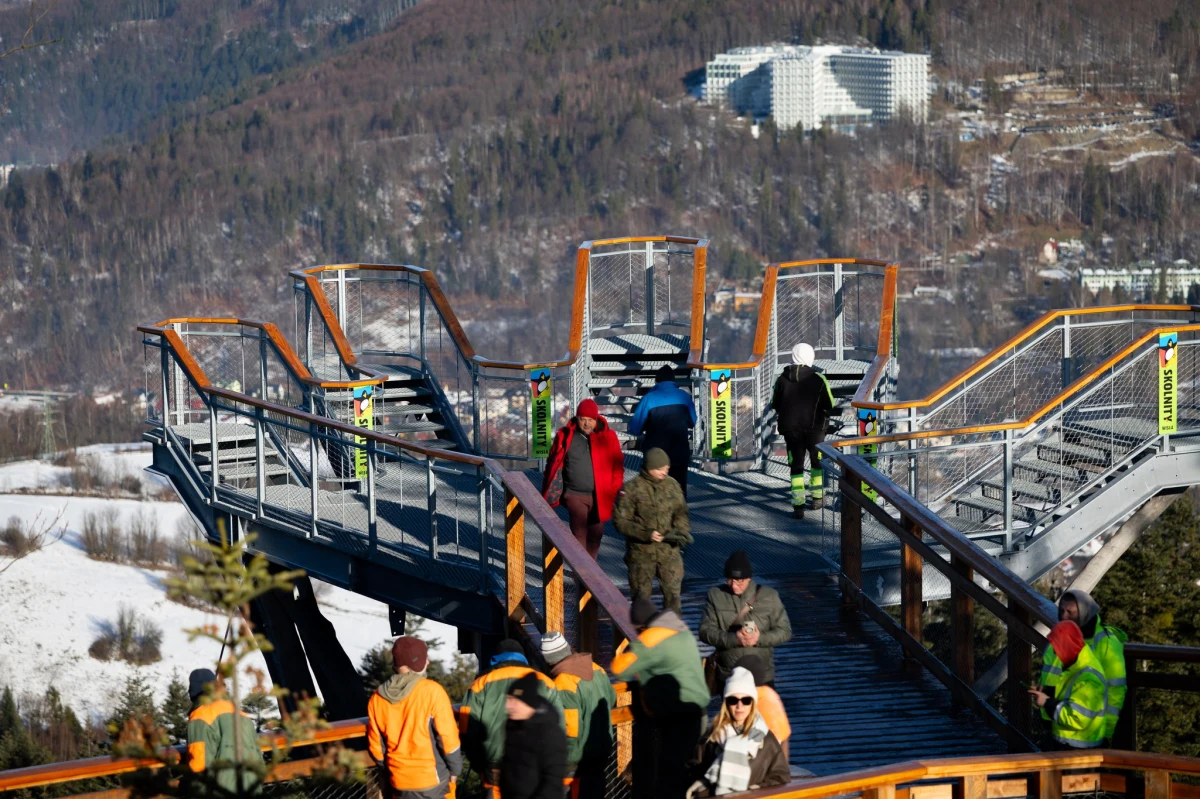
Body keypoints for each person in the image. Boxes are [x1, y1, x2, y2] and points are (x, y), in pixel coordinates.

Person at [612, 598, 709, 799]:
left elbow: (619, 668)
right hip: (698, 711)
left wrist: (635, 646)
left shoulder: (651, 638)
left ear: (641, 626)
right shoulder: (680, 630)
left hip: (675, 717)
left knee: (669, 775)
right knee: (689, 768)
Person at [461, 639, 563, 794]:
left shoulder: (480, 684)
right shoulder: (546, 682)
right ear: (522, 657)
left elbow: (467, 728)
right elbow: (559, 726)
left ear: (496, 658)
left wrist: (479, 764)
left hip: (494, 767)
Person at [366, 637, 462, 799]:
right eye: (425, 659)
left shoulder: (377, 698)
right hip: (432, 781)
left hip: (399, 781)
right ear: (417, 662)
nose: (428, 663)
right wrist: (456, 770)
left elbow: (376, 748)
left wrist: (390, 769)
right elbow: (448, 740)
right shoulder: (432, 692)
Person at [541, 398, 627, 559]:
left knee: (596, 536)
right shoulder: (565, 436)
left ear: (596, 419)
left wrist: (614, 488)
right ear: (577, 418)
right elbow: (553, 461)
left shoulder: (608, 437)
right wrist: (550, 483)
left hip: (601, 495)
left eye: (590, 420)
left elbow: (617, 465)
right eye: (583, 419)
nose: (586, 423)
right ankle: (581, 575)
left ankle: (590, 570)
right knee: (579, 535)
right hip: (574, 494)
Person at [685, 667, 791, 797]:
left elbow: (781, 777)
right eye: (733, 700)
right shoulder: (712, 736)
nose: (739, 706)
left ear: (753, 703)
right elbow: (693, 769)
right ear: (726, 703)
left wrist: (757, 790)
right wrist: (702, 784)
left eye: (746, 700)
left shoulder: (766, 740)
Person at [1039, 589, 1127, 742]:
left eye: (1070, 612)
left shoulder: (1106, 643)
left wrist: (1107, 734)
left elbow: (1115, 691)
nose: (1063, 617)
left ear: (1086, 613)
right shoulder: (1061, 637)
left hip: (1087, 734)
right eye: (1061, 611)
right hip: (1057, 722)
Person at [613, 448, 692, 616]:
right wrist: (646, 533)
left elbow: (681, 512)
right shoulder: (632, 489)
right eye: (660, 468)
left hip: (668, 552)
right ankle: (641, 638)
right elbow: (620, 521)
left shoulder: (672, 485)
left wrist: (681, 531)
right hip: (641, 555)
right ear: (649, 468)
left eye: (666, 468)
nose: (664, 472)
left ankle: (672, 636)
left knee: (673, 598)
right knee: (641, 601)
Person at [699, 551, 792, 688]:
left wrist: (759, 638)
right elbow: (705, 632)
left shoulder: (769, 596)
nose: (735, 585)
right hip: (728, 676)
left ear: (749, 578)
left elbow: (785, 631)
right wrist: (734, 639)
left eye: (740, 581)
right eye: (730, 580)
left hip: (762, 676)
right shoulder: (715, 596)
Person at [541, 632, 616, 799]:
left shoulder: (563, 684)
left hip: (579, 759)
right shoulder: (597, 669)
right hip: (602, 746)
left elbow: (570, 731)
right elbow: (611, 698)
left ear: (549, 660)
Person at [771, 343, 835, 519]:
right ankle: (817, 498)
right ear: (810, 357)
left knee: (796, 466)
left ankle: (798, 505)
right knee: (817, 462)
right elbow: (829, 403)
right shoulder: (818, 379)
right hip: (816, 428)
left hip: (791, 429)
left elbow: (774, 403)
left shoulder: (781, 379)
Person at [1028, 621, 1108, 749]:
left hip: (1080, 752)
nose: (1055, 653)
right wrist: (1047, 691)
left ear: (1067, 647)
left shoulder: (1089, 678)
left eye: (1057, 648)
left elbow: (1077, 717)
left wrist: (1047, 702)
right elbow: (1071, 693)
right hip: (1070, 745)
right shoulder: (1075, 664)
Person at [185, 668, 265, 795]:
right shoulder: (240, 713)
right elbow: (258, 755)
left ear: (193, 692)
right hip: (252, 789)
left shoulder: (200, 716)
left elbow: (199, 765)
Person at [629, 365, 697, 497]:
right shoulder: (684, 396)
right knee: (679, 493)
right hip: (679, 452)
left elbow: (635, 428)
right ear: (673, 381)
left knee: (655, 495)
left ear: (657, 381)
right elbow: (692, 422)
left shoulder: (648, 398)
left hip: (655, 456)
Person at [500, 673, 568, 799]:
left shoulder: (550, 733)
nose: (508, 706)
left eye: (514, 701)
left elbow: (552, 783)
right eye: (508, 699)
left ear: (528, 702)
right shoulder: (512, 726)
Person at [733, 655, 791, 761]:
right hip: (774, 760)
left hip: (759, 760)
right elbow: (784, 737)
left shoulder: (750, 700)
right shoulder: (770, 694)